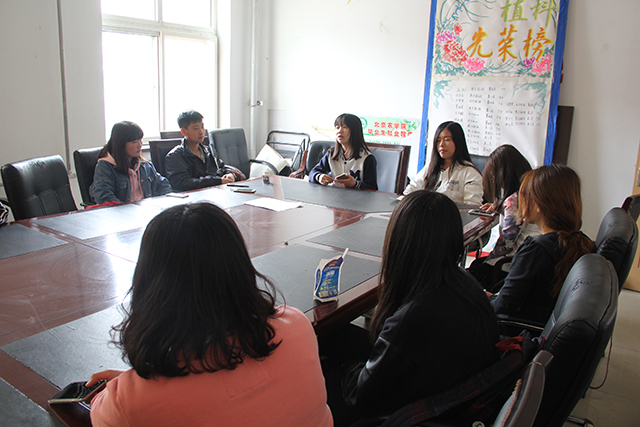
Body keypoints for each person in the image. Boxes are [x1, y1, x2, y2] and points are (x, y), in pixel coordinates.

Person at [86, 202, 333, 427]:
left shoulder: (128, 404)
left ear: (150, 284)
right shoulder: (297, 326)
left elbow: (106, 412)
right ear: (240, 267)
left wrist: (132, 387)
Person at [326, 191, 499, 426]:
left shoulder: (413, 318)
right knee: (338, 337)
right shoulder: (465, 284)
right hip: (452, 400)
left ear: (399, 241)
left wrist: (342, 364)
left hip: (406, 414)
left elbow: (358, 397)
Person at [488, 165, 596, 325]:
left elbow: (502, 307)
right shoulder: (581, 241)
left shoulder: (536, 251)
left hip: (515, 328)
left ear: (539, 204)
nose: (520, 202)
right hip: (541, 324)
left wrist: (480, 299)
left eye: (524, 196)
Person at [467, 145, 541, 291]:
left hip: (513, 264)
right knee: (477, 265)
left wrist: (489, 259)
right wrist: (500, 206)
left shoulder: (512, 201)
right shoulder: (530, 191)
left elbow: (507, 243)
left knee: (470, 273)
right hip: (532, 261)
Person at [90, 121, 171, 204]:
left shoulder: (144, 164)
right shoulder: (105, 166)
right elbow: (103, 196)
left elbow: (163, 184)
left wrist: (158, 202)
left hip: (147, 208)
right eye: (134, 142)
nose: (140, 145)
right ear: (120, 144)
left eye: (140, 140)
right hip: (123, 210)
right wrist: (127, 209)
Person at [403, 121, 482, 205]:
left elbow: (472, 207)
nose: (441, 144)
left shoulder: (470, 173)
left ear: (458, 142)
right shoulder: (431, 167)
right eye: (438, 140)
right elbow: (412, 189)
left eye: (447, 140)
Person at [164, 110, 242, 192]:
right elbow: (183, 183)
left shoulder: (208, 150)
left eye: (202, 127)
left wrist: (230, 175)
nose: (201, 132)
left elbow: (221, 167)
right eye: (196, 128)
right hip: (193, 197)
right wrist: (217, 181)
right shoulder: (174, 156)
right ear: (184, 131)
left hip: (216, 192)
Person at [309, 113, 377, 190]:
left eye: (344, 127)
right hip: (334, 195)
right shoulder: (332, 154)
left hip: (357, 197)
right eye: (337, 127)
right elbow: (313, 172)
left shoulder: (368, 158)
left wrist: (355, 184)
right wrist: (319, 177)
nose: (339, 131)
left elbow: (372, 188)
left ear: (355, 131)